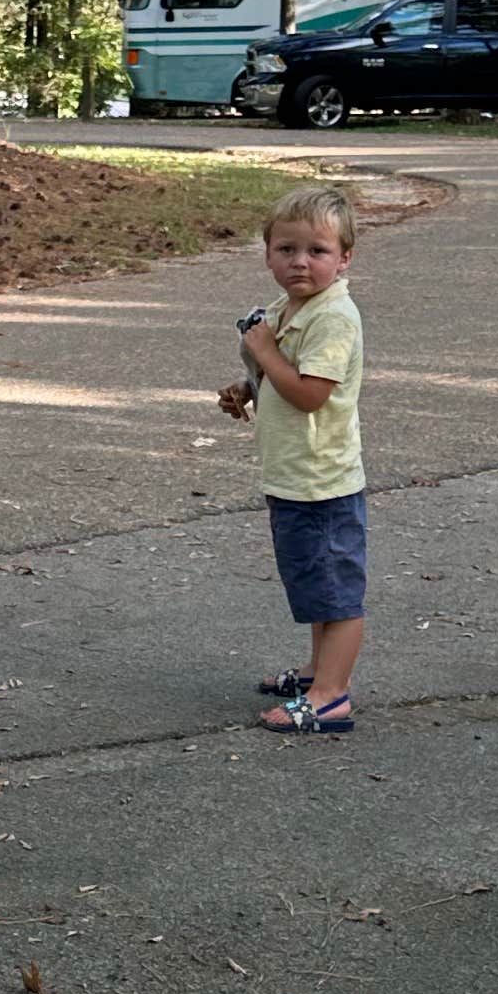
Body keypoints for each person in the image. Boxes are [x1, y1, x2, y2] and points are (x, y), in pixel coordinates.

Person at [217, 182, 367, 734]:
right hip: (294, 477)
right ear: (267, 254)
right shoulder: (290, 308)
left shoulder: (332, 318)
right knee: (314, 585)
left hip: (322, 482)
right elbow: (284, 379)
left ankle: (332, 697)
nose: (300, 261)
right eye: (286, 249)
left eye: (317, 251)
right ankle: (316, 672)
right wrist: (249, 386)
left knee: (337, 594)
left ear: (344, 258)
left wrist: (264, 352)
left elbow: (309, 393)